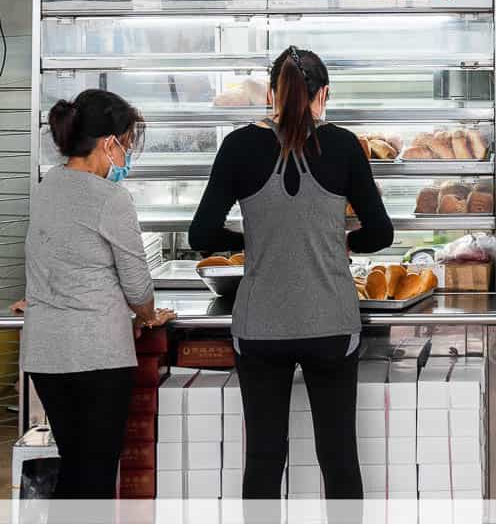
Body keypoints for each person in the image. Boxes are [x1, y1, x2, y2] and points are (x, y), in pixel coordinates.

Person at [189, 46, 394, 503]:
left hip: (260, 327)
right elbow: (380, 233)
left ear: (271, 93)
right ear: (324, 94)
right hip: (331, 325)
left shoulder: (238, 146)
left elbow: (201, 233)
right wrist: (343, 242)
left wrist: (254, 242)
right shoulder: (343, 144)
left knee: (264, 457)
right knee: (339, 456)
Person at [21, 89, 173, 499]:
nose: (125, 157)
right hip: (97, 357)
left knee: (73, 467)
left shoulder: (46, 187)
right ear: (108, 144)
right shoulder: (111, 199)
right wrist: (146, 314)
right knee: (97, 474)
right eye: (125, 145)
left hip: (46, 353)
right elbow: (138, 286)